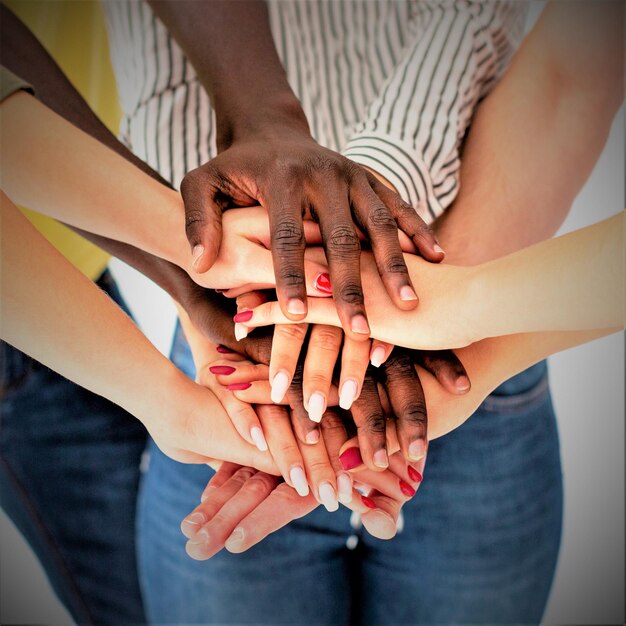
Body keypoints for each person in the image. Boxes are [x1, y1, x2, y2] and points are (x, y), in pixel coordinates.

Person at [101, 0, 621, 624]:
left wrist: (400, 276)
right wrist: (378, 273)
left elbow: (573, 55)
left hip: (459, 343)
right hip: (247, 371)